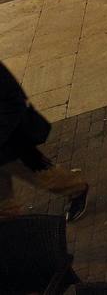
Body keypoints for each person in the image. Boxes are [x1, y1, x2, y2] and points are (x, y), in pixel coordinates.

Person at [0, 60, 89, 222]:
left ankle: (77, 188)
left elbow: (14, 101)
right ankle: (8, 220)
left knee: (43, 176)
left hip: (10, 144)